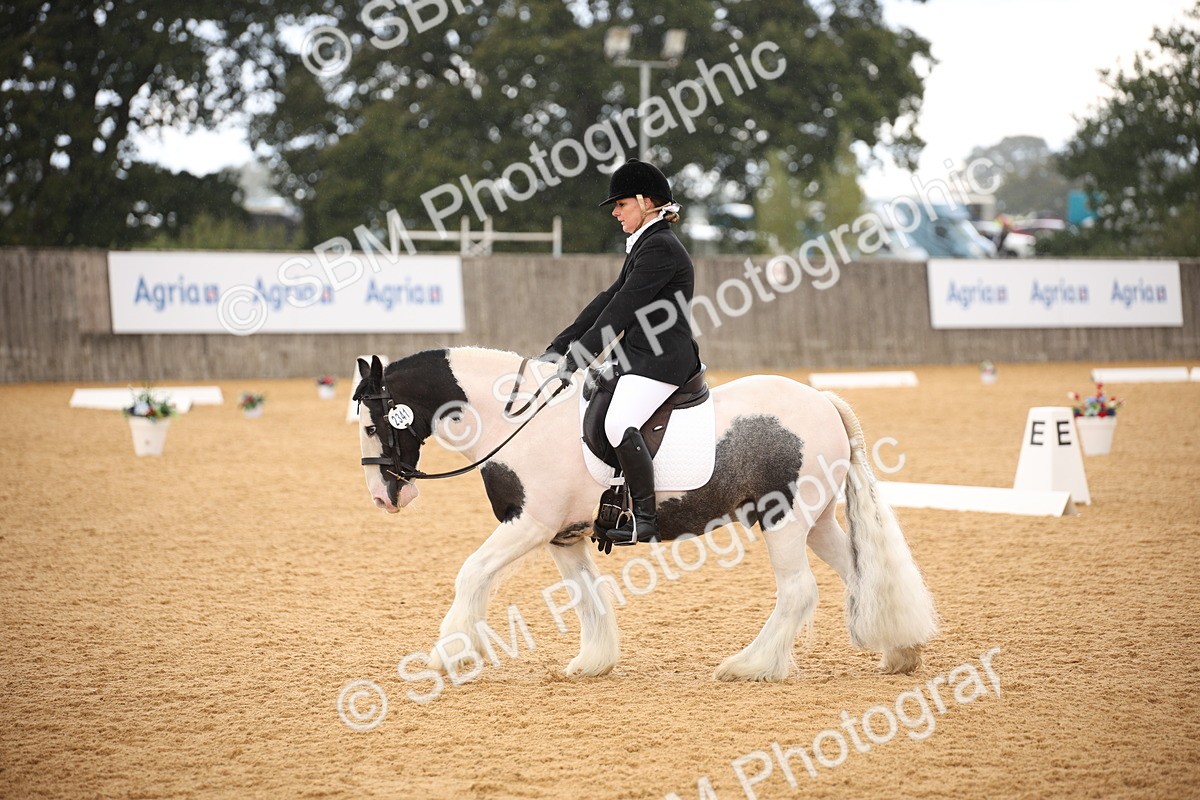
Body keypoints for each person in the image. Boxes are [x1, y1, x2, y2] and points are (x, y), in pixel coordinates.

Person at [537, 157, 702, 546]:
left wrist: (575, 362)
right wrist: (559, 347)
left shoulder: (660, 248)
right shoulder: (645, 245)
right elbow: (605, 300)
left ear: (646, 203)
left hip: (662, 362)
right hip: (639, 359)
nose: (615, 212)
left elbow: (620, 311)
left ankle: (644, 517)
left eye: (621, 204)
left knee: (617, 423)